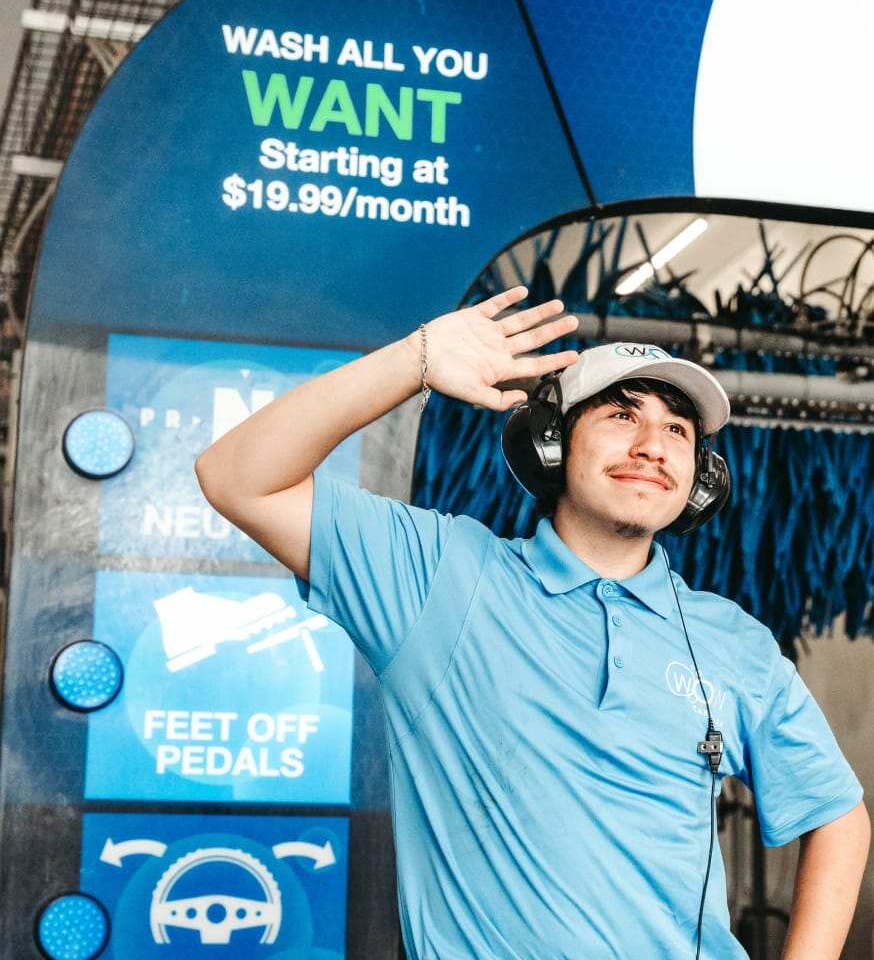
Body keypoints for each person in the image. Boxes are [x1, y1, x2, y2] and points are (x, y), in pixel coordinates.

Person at [195, 286, 869, 959]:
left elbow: (837, 815)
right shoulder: (437, 576)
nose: (652, 446)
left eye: (676, 430)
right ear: (550, 443)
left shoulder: (732, 640)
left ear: (701, 479)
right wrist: (415, 359)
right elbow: (236, 476)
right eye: (621, 415)